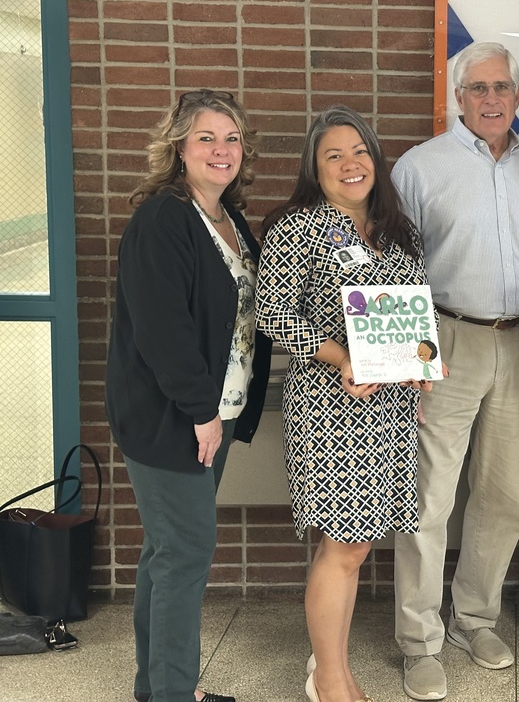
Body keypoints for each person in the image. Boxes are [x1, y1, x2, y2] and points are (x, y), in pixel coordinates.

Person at [390, 40, 519, 701]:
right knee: (430, 500)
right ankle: (419, 640)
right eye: (478, 88)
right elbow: (395, 266)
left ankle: (475, 618)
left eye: (502, 88)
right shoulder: (419, 168)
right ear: (458, 98)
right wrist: (410, 357)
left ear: (517, 97)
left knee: (500, 498)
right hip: (445, 340)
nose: (491, 99)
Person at [255, 105, 436, 702]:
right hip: (332, 408)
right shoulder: (299, 228)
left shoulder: (395, 231)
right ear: (315, 167)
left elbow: (410, 316)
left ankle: (328, 664)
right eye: (333, 155)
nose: (349, 164)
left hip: (388, 412)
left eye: (359, 151)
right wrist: (342, 357)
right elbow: (276, 316)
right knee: (346, 547)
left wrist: (419, 365)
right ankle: (329, 676)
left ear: (376, 161)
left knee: (354, 549)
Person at [105, 89, 271, 702]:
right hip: (175, 416)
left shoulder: (228, 216)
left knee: (165, 553)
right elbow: (162, 328)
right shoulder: (164, 218)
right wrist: (201, 412)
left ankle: (158, 689)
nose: (221, 150)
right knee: (184, 555)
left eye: (231, 138)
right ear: (178, 145)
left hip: (214, 412)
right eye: (206, 137)